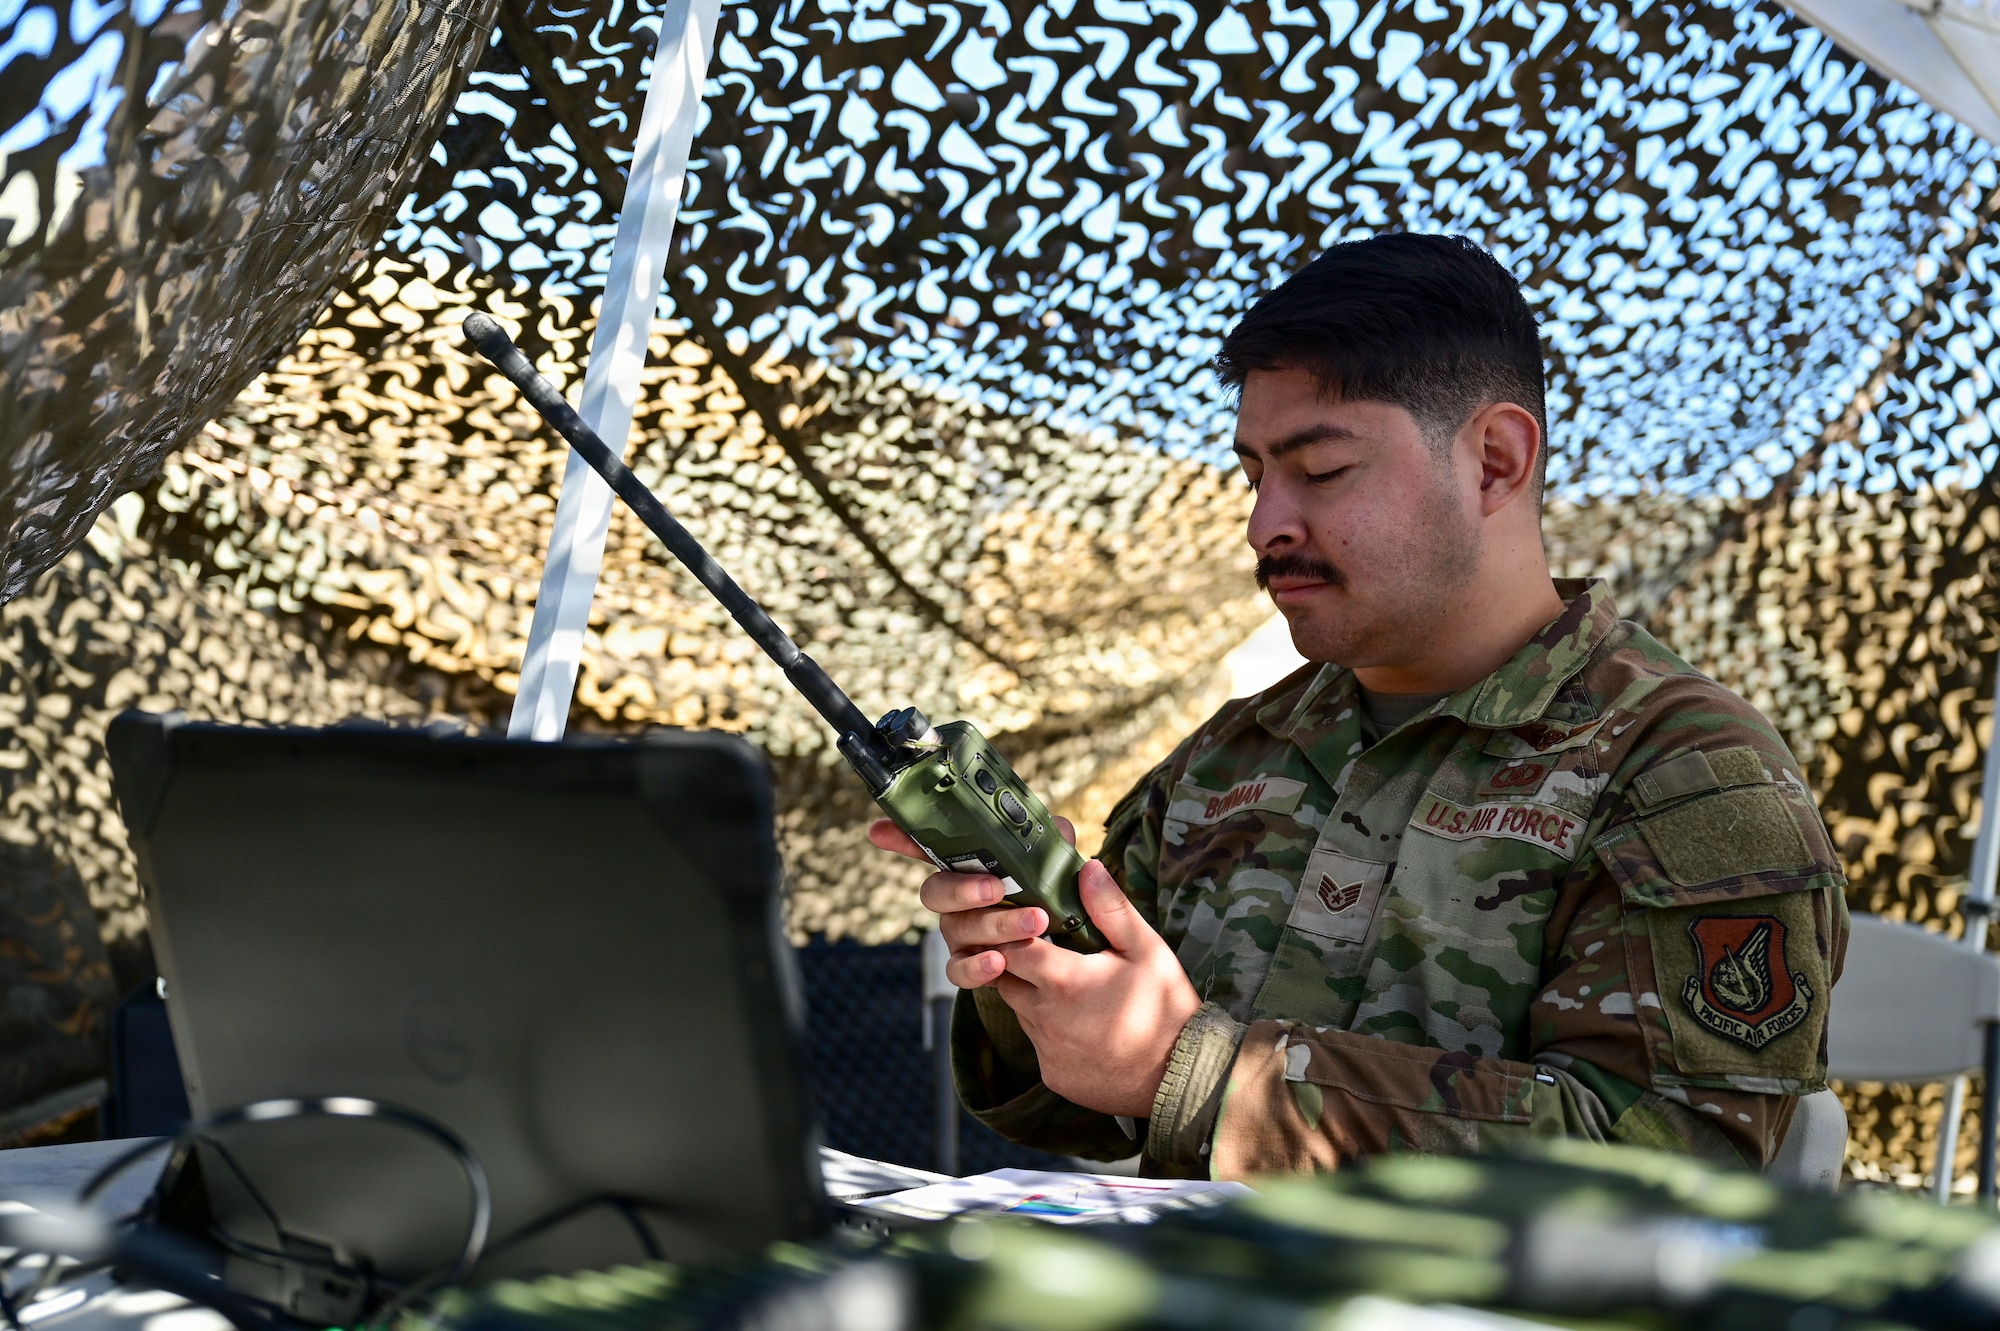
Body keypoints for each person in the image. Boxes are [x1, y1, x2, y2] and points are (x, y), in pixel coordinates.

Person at [868, 232, 1849, 1177]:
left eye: (1320, 470)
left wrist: (1205, 1079)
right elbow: (1071, 1108)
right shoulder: (1229, 758)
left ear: (1495, 461)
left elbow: (1668, 1175)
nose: (1263, 523)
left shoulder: (1680, 778)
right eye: (1253, 474)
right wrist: (1029, 966)